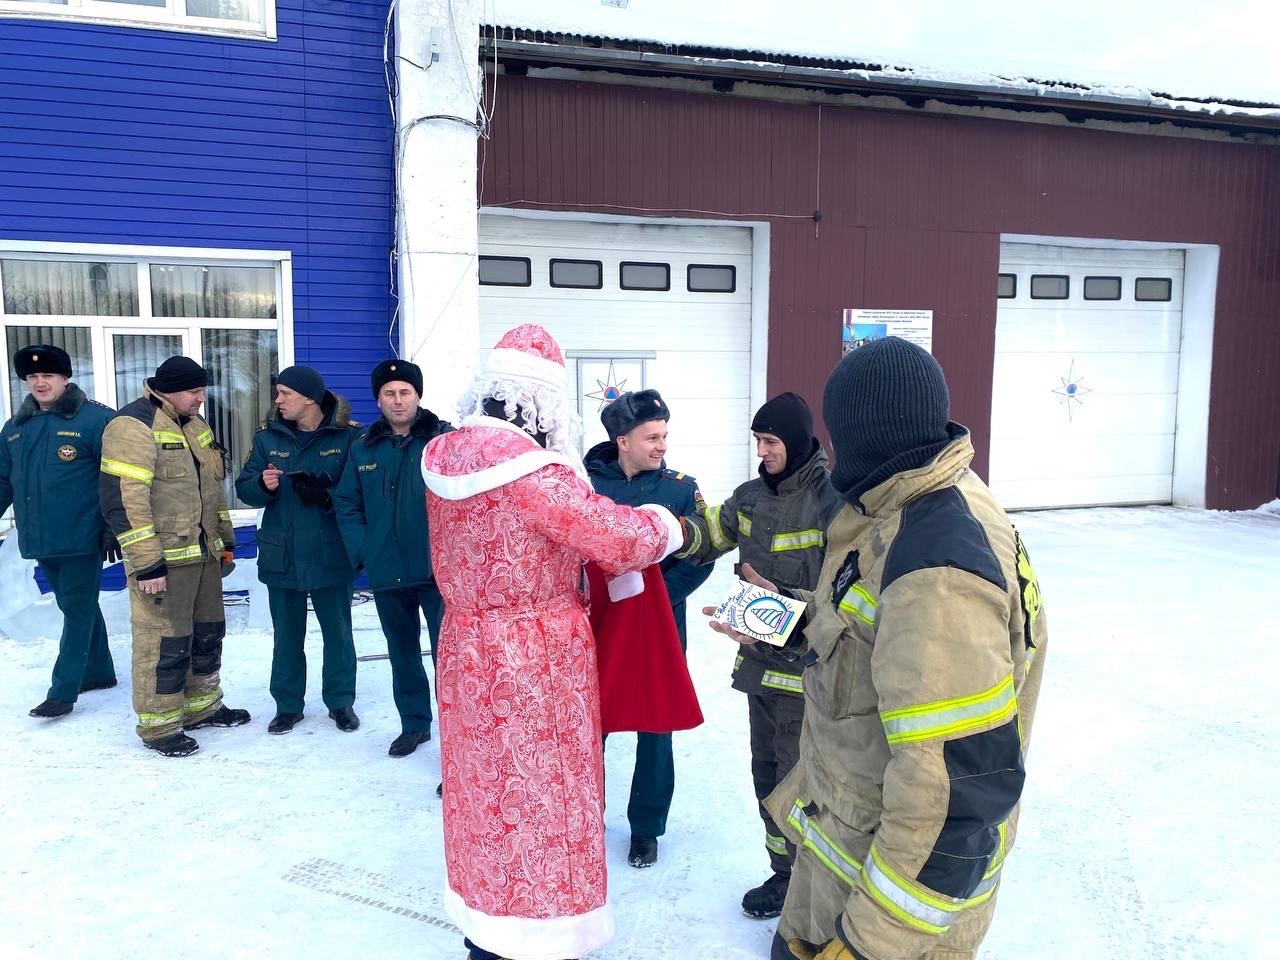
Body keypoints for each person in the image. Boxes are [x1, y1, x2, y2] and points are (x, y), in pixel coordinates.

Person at [712, 338, 1049, 960]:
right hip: (842, 860)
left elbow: (956, 798)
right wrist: (776, 622)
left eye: (838, 436)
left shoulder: (936, 566)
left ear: (866, 437)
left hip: (882, 915)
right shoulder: (904, 508)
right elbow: (867, 643)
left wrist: (868, 945)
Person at [421, 324, 684, 960]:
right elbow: (619, 539)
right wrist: (665, 521)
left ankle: (484, 922)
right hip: (535, 657)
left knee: (483, 790)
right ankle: (537, 935)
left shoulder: (440, 457)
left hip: (464, 644)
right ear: (539, 404)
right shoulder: (533, 473)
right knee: (545, 794)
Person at [676, 392, 841, 920]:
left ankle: (812, 888)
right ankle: (784, 877)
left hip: (811, 677)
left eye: (770, 443)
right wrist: (662, 531)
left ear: (794, 443)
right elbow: (711, 533)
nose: (762, 453)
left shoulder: (831, 500)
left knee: (804, 789)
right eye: (758, 442)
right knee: (767, 780)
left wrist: (781, 608)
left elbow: (847, 592)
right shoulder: (750, 498)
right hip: (761, 675)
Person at [583, 388, 712, 869]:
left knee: (656, 725)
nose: (661, 446)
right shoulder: (583, 483)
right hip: (597, 624)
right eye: (651, 437)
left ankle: (646, 828)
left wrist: (653, 597)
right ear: (622, 440)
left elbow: (701, 556)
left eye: (664, 436)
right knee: (589, 721)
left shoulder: (680, 489)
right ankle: (583, 815)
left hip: (659, 626)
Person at [100, 355, 248, 757]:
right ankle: (160, 726)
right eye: (194, 391)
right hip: (162, 562)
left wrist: (226, 540)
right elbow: (124, 500)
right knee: (163, 643)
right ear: (167, 389)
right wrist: (147, 562)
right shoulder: (133, 426)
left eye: (203, 390)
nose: (202, 398)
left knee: (206, 634)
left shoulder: (196, 425)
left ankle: (202, 706)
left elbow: (213, 491)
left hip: (203, 555)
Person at [334, 359, 452, 758]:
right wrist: (364, 551)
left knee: (448, 662)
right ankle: (414, 725)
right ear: (378, 399)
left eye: (405, 392)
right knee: (402, 654)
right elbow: (347, 502)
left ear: (418, 395)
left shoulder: (442, 442)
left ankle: (458, 741)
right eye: (389, 393)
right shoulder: (363, 446)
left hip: (439, 574)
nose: (398, 400)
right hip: (387, 572)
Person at [236, 365, 361, 736]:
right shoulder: (267, 439)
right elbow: (245, 488)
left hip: (329, 550)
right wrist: (264, 485)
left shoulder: (348, 438)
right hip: (284, 551)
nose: (278, 400)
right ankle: (288, 706)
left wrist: (326, 495)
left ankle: (341, 702)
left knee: (338, 632)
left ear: (309, 397)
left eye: (285, 393)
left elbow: (360, 492)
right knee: (287, 634)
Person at [1, 345, 117, 720]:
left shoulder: (95, 420)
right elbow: (4, 481)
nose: (39, 382)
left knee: (77, 609)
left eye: (47, 375)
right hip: (39, 537)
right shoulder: (15, 428)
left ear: (65, 378)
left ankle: (63, 690)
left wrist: (115, 528)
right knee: (73, 604)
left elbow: (117, 480)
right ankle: (99, 671)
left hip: (83, 536)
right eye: (32, 377)